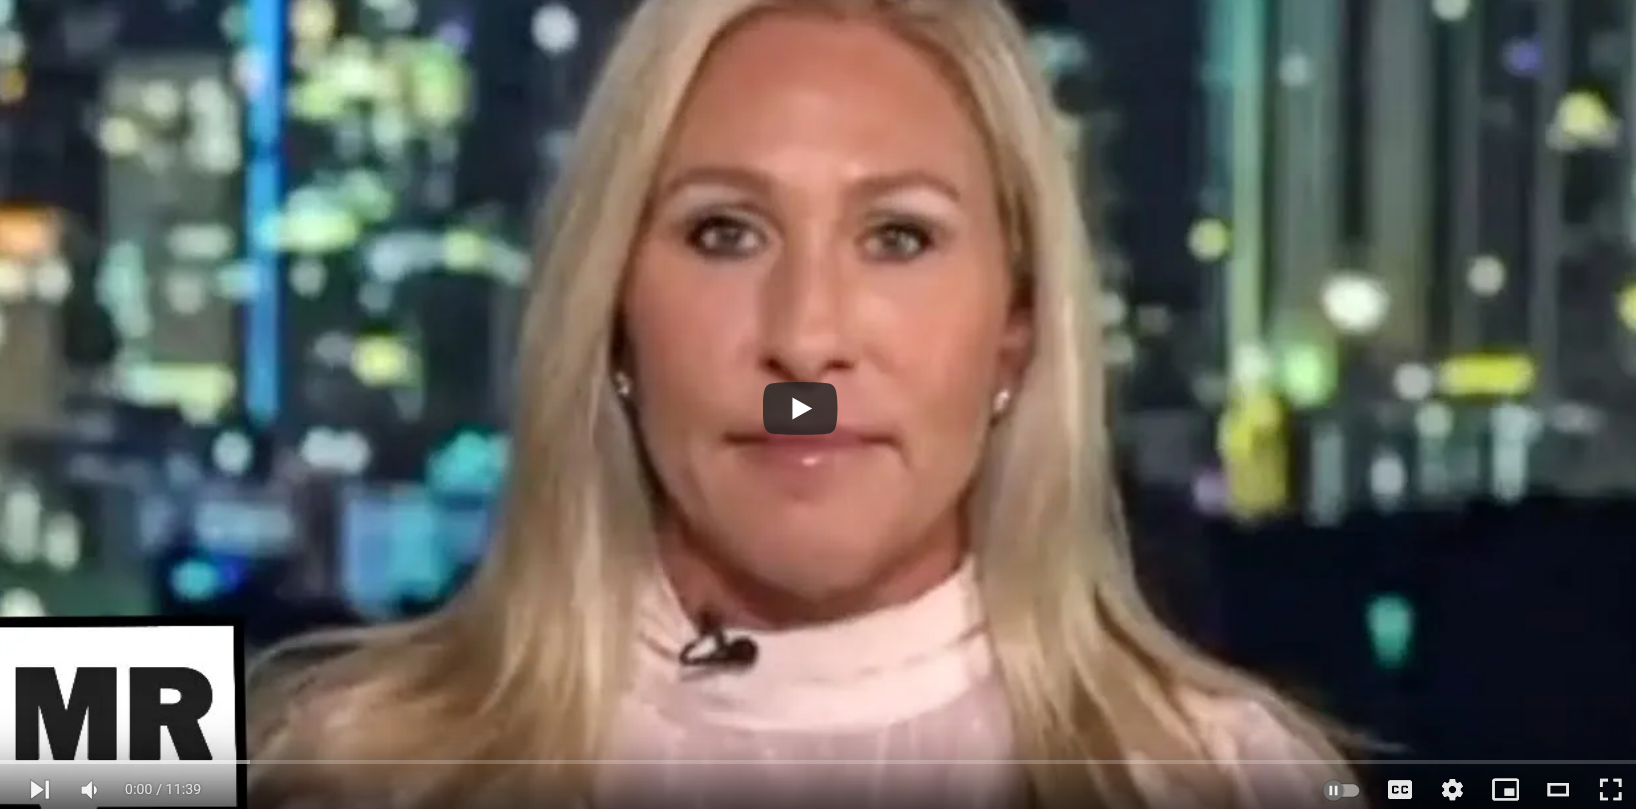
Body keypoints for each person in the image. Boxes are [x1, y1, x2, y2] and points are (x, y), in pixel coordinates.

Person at [249, 0, 1357, 806]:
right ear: (615, 316)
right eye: (725, 233)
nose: (807, 343)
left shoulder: (1224, 778)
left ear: (1014, 328)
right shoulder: (345, 768)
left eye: (899, 238)